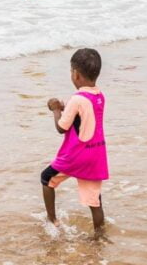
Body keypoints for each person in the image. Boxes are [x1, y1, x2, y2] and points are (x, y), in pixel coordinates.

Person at [40, 48, 109, 234]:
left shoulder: (77, 99)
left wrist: (56, 110)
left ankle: (52, 220)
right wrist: (65, 106)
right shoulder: (99, 96)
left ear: (76, 75)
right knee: (95, 201)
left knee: (46, 179)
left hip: (76, 155)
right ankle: (99, 237)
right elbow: (84, 118)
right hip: (96, 154)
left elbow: (62, 127)